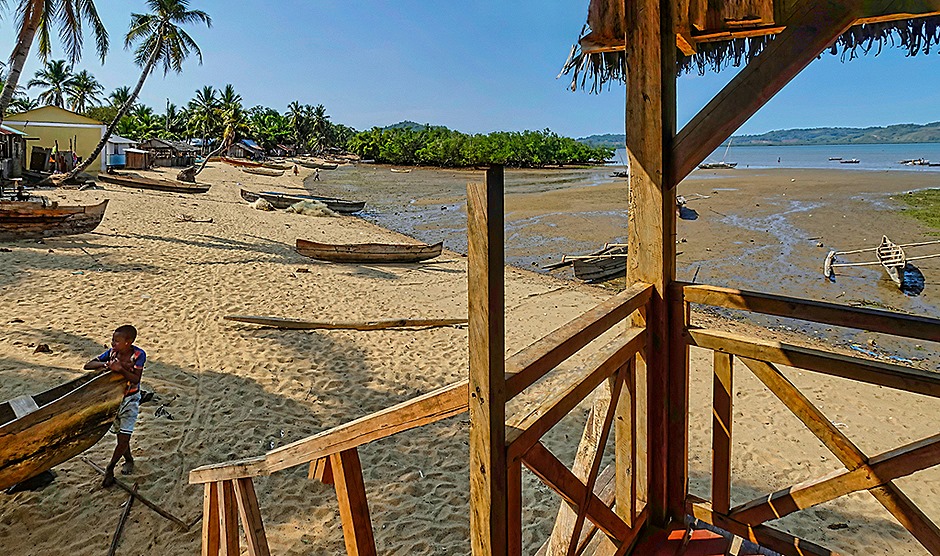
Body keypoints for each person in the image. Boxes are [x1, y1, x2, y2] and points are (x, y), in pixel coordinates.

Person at [84, 324, 146, 487]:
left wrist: (121, 369)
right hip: (114, 400)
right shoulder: (112, 354)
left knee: (124, 437)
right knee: (121, 436)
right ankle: (129, 459)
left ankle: (110, 467)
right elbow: (88, 365)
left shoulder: (138, 355)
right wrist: (106, 365)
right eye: (112, 340)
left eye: (117, 341)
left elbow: (136, 379)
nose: (113, 343)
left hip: (130, 400)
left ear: (128, 342)